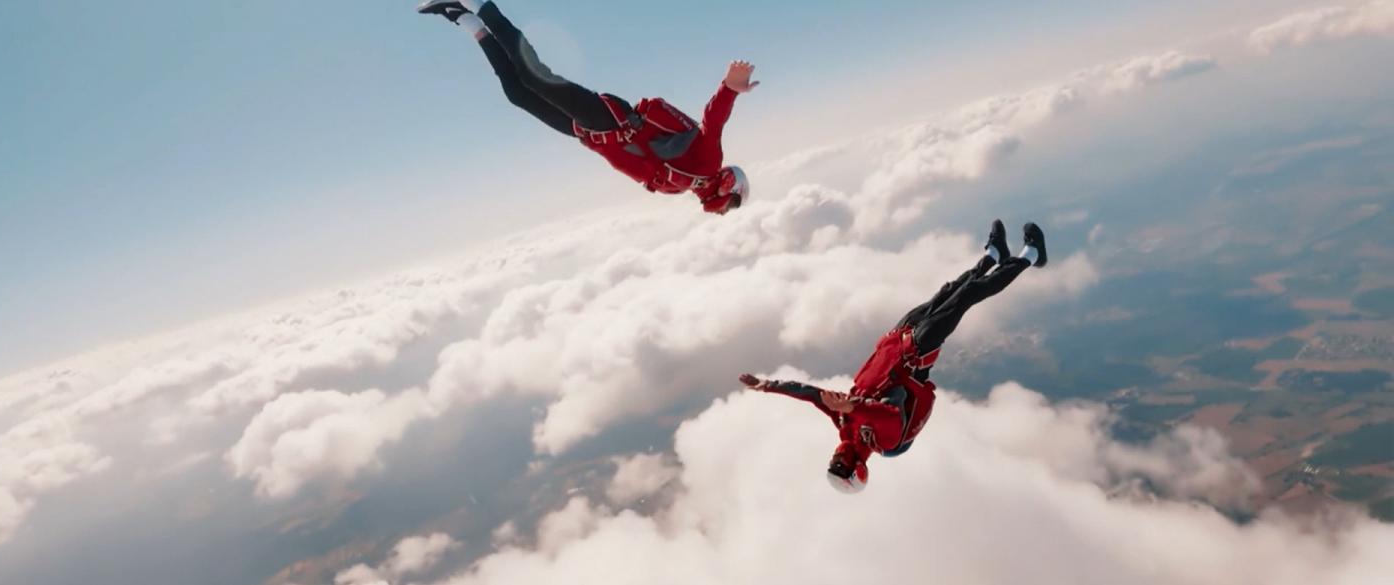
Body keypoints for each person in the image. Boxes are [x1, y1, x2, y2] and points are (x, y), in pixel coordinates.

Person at [739, 221, 1050, 493]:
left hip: (895, 341)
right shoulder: (884, 441)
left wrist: (769, 385)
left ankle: (994, 256)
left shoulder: (845, 426)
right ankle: (1031, 257)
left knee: (949, 291)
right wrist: (852, 406)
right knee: (966, 297)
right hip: (916, 354)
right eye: (840, 467)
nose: (835, 459)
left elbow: (810, 395)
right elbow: (893, 407)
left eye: (832, 464)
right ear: (857, 469)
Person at [417, 0, 758, 214]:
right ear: (729, 186)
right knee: (534, 76)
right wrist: (729, 88)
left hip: (588, 133)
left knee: (517, 93)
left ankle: (464, 18)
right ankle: (477, 4)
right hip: (612, 122)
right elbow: (712, 121)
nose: (723, 211)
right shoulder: (708, 163)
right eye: (731, 205)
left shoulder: (684, 186)